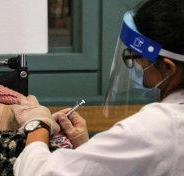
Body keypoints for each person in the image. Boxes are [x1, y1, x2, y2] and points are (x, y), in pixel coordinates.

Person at [11, 0, 184, 175]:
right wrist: (88, 150)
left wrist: (37, 125)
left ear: (168, 68)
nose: (135, 65)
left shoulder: (159, 127)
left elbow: (39, 173)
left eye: (136, 57)